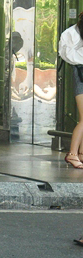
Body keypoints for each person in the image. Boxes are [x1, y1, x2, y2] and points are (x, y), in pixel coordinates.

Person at [58, 14, 83, 169]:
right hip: (80, 73)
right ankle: (72, 153)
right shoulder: (72, 33)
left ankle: (80, 153)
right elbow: (67, 55)